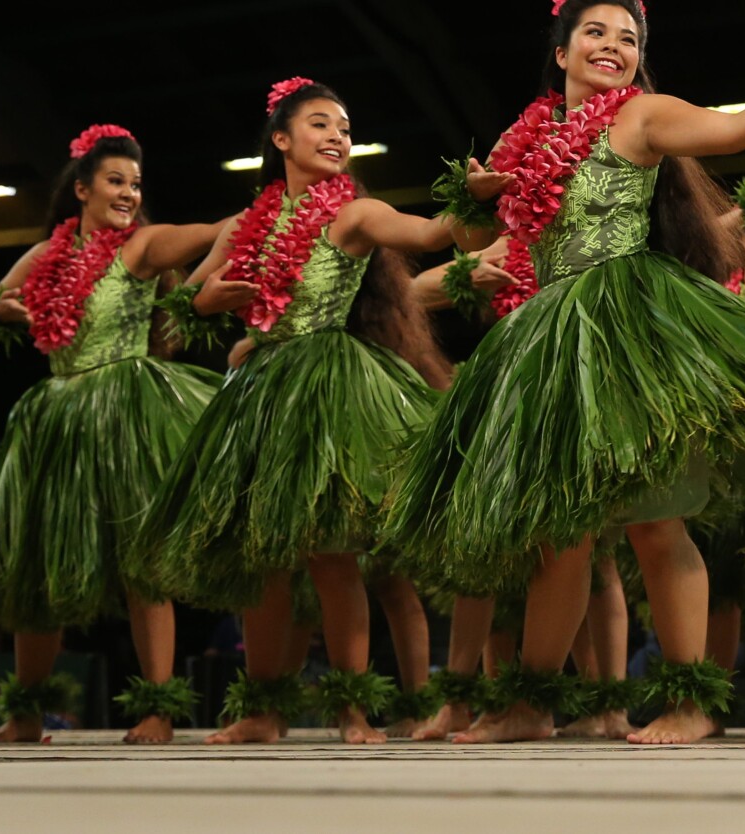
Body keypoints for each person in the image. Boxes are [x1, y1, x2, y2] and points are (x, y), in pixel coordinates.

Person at [381, 0, 745, 745]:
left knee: (657, 523)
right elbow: (479, 241)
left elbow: (734, 132)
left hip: (626, 325)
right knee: (560, 534)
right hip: (549, 338)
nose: (614, 46)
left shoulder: (642, 116)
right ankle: (531, 703)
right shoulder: (526, 137)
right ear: (561, 52)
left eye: (629, 37)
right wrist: (478, 201)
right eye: (597, 32)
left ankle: (690, 700)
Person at [135, 78, 496, 744]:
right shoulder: (246, 225)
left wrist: (467, 199)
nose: (338, 137)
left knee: (332, 558)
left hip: (330, 386)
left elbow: (429, 231)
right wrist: (207, 302)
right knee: (267, 559)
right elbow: (184, 305)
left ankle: (351, 708)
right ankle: (263, 709)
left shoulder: (353, 215)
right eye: (322, 124)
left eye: (345, 129)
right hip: (261, 394)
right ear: (281, 139)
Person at [0, 124, 225, 743]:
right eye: (115, 180)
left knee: (140, 562)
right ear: (82, 189)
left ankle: (158, 709)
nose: (129, 193)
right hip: (56, 417)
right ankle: (25, 713)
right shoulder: (46, 256)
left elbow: (217, 231)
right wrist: (3, 309)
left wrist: (269, 212)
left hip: (124, 409)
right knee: (40, 567)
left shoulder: (143, 246)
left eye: (136, 183)